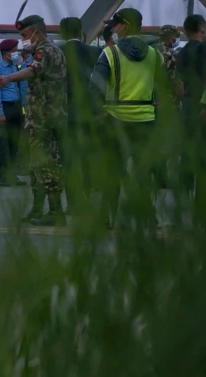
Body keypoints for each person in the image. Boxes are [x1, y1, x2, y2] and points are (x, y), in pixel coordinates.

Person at [89, 8, 167, 228]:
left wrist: (98, 115)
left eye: (115, 25)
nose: (112, 29)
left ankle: (105, 218)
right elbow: (163, 91)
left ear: (125, 26)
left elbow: (94, 89)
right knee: (142, 173)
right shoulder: (155, 55)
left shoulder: (110, 53)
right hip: (146, 121)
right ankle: (148, 218)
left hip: (114, 119)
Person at [0, 15, 67, 226]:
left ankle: (55, 212)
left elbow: (32, 69)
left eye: (24, 35)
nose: (23, 39)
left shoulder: (47, 51)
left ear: (37, 32)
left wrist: (8, 78)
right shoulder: (46, 51)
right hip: (39, 119)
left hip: (46, 120)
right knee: (35, 166)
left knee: (47, 165)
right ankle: (36, 210)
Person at [59, 17, 102, 214]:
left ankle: (73, 203)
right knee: (87, 158)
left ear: (62, 33)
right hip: (90, 115)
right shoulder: (95, 52)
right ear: (80, 33)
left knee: (68, 160)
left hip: (64, 114)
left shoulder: (58, 53)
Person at [0, 39, 27, 186]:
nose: (16, 53)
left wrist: (24, 107)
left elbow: (22, 87)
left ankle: (12, 176)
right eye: (14, 50)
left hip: (16, 108)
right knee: (1, 145)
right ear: (7, 53)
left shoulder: (16, 67)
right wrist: (0, 113)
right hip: (4, 108)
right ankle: (0, 177)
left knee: (13, 144)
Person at [176, 14, 206, 197]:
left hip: (187, 105)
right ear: (202, 29)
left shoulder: (181, 53)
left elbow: (177, 82)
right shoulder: (202, 50)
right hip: (201, 105)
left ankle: (183, 193)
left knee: (186, 151)